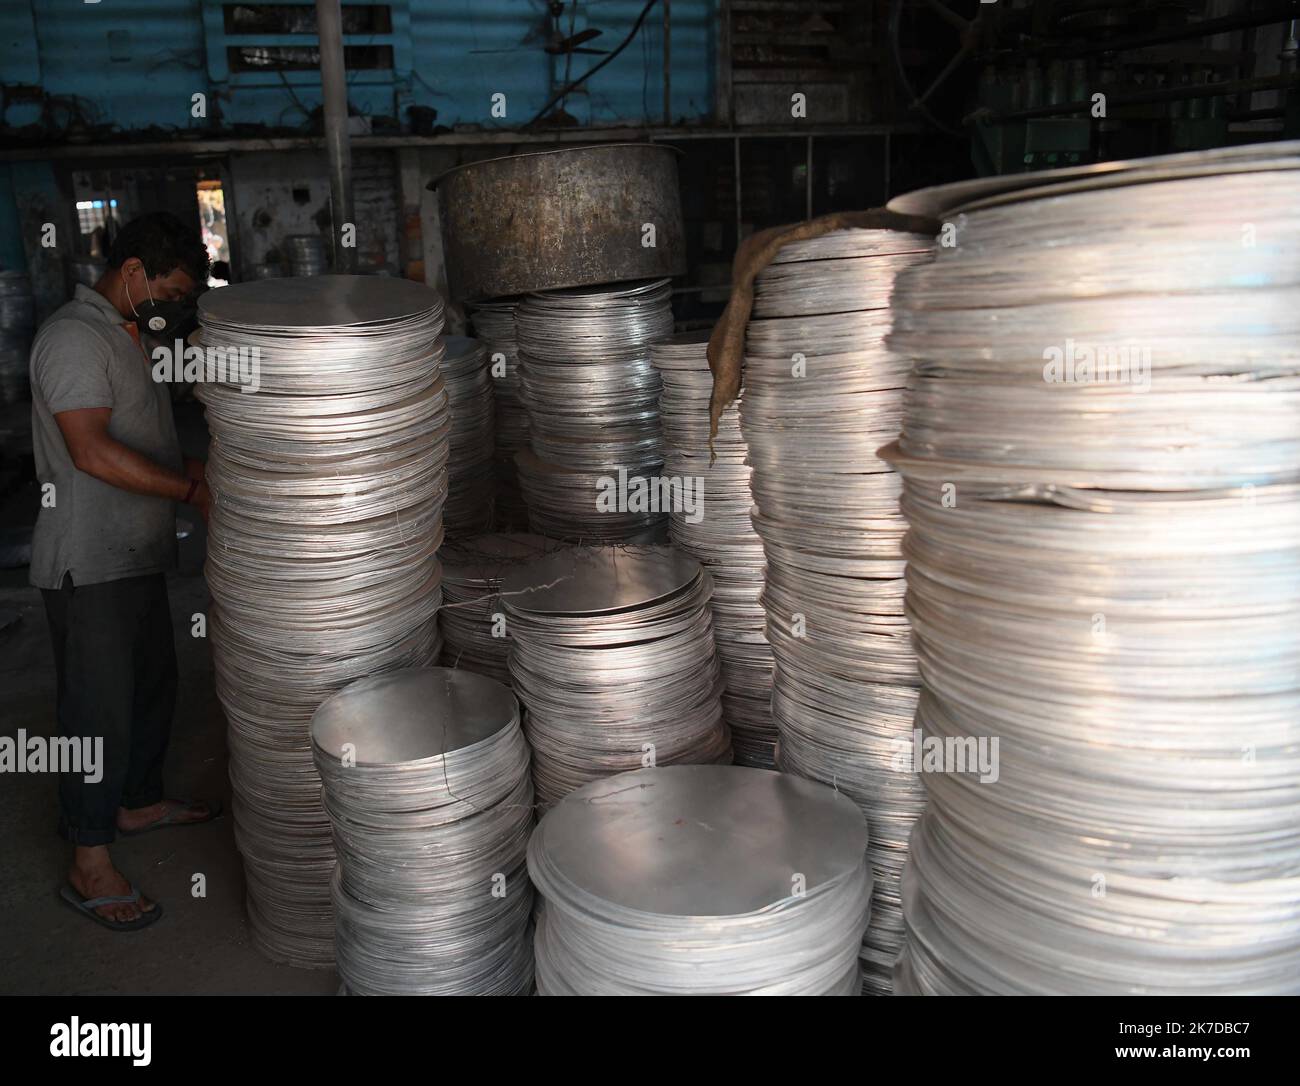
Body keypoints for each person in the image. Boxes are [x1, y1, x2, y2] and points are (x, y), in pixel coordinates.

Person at [30, 211, 221, 931]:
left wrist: (205, 467)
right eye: (167, 289)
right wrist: (188, 491)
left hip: (136, 553)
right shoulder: (73, 339)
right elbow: (93, 452)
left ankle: (137, 800)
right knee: (96, 712)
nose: (171, 303)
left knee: (150, 688)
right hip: (89, 561)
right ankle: (89, 860)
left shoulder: (128, 335)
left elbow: (148, 434)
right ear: (132, 271)